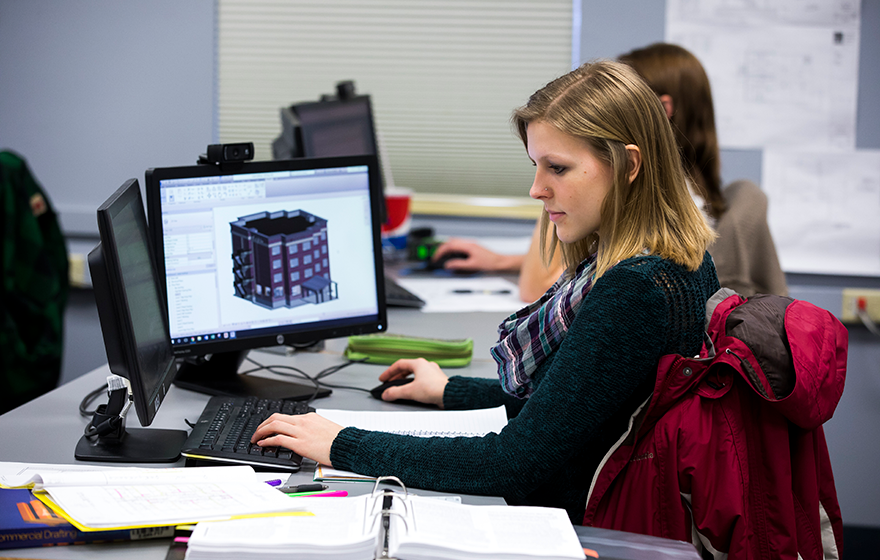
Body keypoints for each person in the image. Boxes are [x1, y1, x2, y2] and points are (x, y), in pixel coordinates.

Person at [252, 60, 721, 523]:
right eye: (536, 165)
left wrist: (341, 444)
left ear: (629, 164)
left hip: (574, 524)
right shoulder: (678, 257)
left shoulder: (633, 290)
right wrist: (450, 391)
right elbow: (575, 404)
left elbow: (513, 463)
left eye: (558, 168)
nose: (537, 189)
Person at [434, 42, 787, 301]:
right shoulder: (683, 214)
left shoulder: (634, 280)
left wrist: (560, 186)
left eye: (557, 166)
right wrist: (503, 261)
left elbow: (538, 289)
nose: (536, 188)